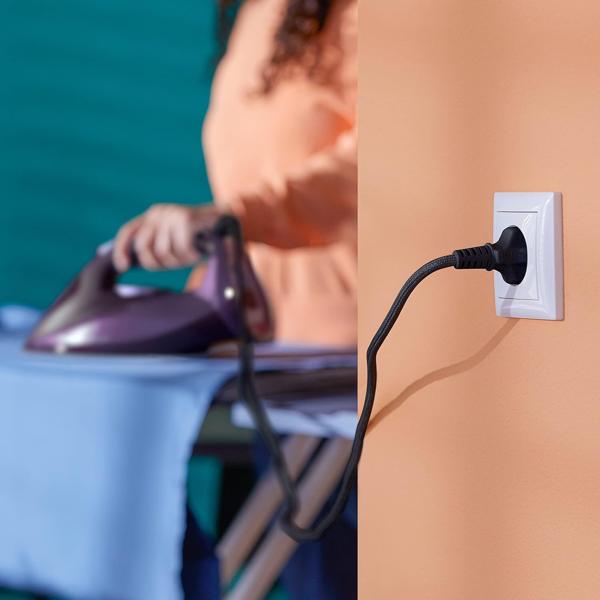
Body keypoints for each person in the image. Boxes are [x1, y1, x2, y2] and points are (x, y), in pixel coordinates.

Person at [113, 0, 357, 347]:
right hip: (248, 341)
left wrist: (236, 219)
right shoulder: (257, 11)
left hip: (353, 348)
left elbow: (378, 165)